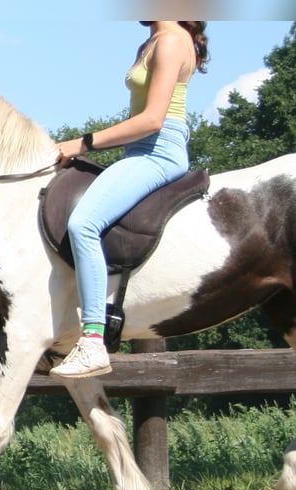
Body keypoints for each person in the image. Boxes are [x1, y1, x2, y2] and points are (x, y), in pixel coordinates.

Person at [50, 21, 209, 379]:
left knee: (83, 223)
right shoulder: (151, 42)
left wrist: (84, 142)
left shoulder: (169, 41)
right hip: (138, 152)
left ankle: (92, 340)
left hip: (157, 151)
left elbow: (153, 120)